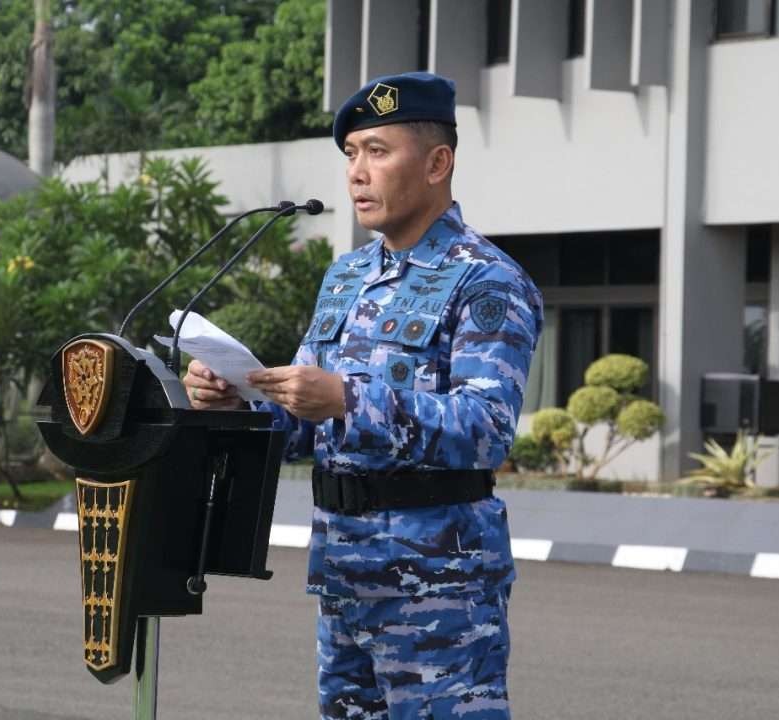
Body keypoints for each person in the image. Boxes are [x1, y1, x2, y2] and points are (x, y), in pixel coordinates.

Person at [183, 71, 542, 719]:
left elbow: (486, 427)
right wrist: (239, 396)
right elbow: (302, 423)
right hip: (345, 574)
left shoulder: (485, 281)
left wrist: (349, 399)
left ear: (438, 162)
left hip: (440, 587)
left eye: (377, 151)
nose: (356, 172)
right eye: (351, 154)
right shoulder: (347, 278)